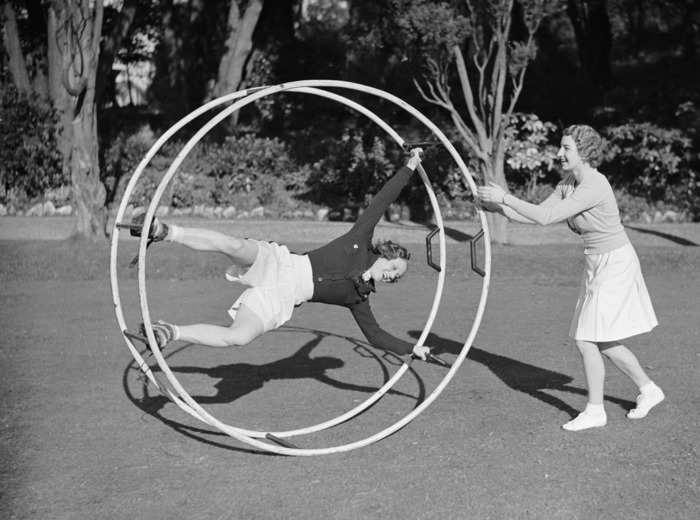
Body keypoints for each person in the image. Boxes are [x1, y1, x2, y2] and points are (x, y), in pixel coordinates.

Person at [133, 148, 431, 361]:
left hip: (280, 299)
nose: (392, 276)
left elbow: (375, 335)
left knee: (239, 337)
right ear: (386, 253)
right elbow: (382, 201)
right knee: (233, 245)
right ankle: (164, 231)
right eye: (394, 267)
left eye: (396, 278)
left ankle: (168, 332)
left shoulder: (359, 298)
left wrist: (411, 348)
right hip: (281, 263)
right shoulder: (359, 240)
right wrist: (410, 166)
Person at [476, 124, 664, 431]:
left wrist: (506, 197)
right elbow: (537, 215)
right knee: (600, 339)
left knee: (586, 338)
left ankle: (595, 411)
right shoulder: (568, 183)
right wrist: (495, 206)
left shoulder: (594, 184)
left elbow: (547, 217)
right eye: (560, 147)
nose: (559, 153)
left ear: (585, 153)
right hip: (596, 262)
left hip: (616, 262)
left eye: (566, 149)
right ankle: (648, 389)